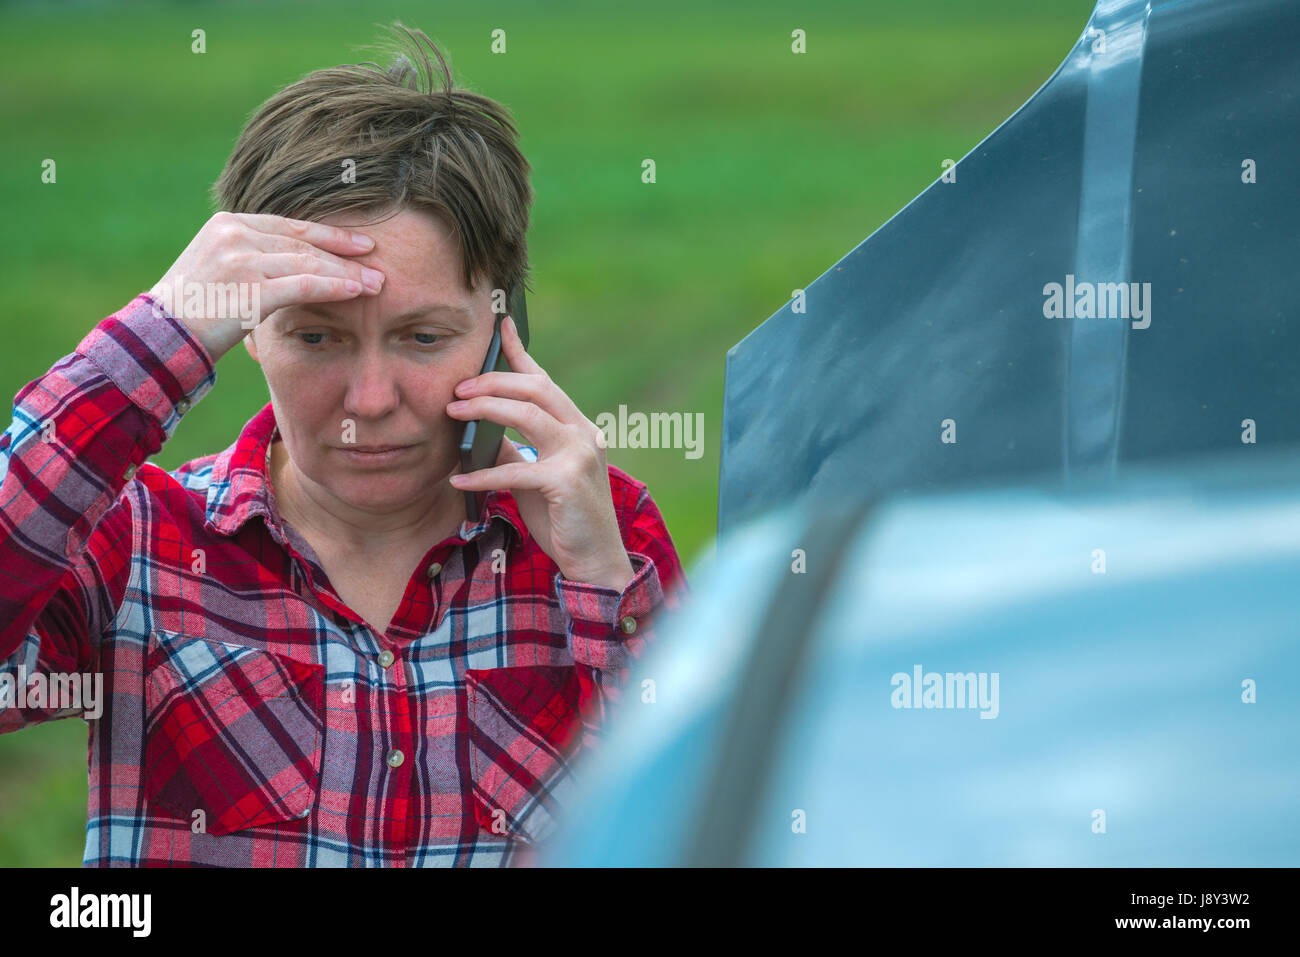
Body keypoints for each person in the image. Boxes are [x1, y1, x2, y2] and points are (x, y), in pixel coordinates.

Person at [0, 24, 687, 867]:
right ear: (244, 327)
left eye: (424, 338)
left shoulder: (604, 538)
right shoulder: (141, 543)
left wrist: (605, 598)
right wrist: (155, 339)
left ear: (506, 328)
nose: (370, 400)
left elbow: (711, 830)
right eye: (317, 338)